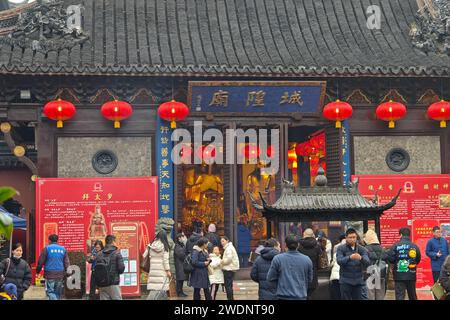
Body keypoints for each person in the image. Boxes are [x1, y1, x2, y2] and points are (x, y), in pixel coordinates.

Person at [267, 235, 313, 300]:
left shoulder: (278, 259)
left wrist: (278, 290)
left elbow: (270, 278)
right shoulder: (307, 260)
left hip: (282, 297)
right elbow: (309, 279)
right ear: (298, 245)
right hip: (301, 296)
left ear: (285, 245)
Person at [385, 227, 421, 300]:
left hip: (399, 276)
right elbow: (418, 259)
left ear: (400, 235)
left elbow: (391, 258)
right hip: (411, 274)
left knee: (400, 296)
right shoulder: (414, 246)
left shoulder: (395, 246)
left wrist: (395, 263)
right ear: (409, 235)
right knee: (412, 295)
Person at [336, 228, 370, 300]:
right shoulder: (340, 248)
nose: (352, 239)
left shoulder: (362, 249)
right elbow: (339, 261)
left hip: (358, 281)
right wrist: (349, 257)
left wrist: (361, 258)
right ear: (346, 238)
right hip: (345, 280)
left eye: (354, 237)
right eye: (350, 237)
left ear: (356, 237)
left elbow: (367, 262)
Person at [36, 234, 70, 300]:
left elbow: (41, 261)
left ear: (49, 240)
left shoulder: (47, 248)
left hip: (49, 274)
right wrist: (68, 272)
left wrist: (38, 271)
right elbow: (67, 262)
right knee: (57, 292)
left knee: (50, 292)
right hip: (60, 274)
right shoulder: (63, 249)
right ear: (57, 240)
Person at [95, 235, 125, 300]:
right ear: (113, 242)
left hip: (102, 284)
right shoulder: (117, 253)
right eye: (116, 241)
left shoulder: (99, 254)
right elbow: (121, 269)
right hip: (113, 283)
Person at [146, 230, 171, 300]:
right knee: (161, 288)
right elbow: (165, 260)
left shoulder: (151, 245)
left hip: (153, 270)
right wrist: (168, 270)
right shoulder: (165, 246)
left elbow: (145, 255)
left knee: (155, 289)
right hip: (161, 270)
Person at [297, 228, 322, 298]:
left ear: (304, 234)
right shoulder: (317, 246)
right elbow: (320, 261)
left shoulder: (299, 246)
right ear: (313, 235)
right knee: (310, 295)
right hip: (313, 275)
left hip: (300, 275)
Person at [363, 229, 386, 300]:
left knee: (370, 295)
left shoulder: (365, 249)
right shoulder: (383, 249)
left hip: (370, 275)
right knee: (380, 295)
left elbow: (364, 262)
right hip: (381, 275)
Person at [329, 235, 346, 300]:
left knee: (337, 295)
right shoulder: (350, 254)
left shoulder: (335, 254)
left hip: (335, 277)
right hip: (344, 277)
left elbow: (332, 264)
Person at [174, 233, 188, 297]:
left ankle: (181, 291)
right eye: (182, 237)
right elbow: (182, 255)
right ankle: (179, 292)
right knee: (179, 279)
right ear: (179, 238)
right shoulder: (177, 246)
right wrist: (185, 245)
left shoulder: (181, 245)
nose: (184, 239)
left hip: (181, 265)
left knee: (181, 279)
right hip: (179, 265)